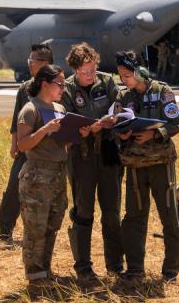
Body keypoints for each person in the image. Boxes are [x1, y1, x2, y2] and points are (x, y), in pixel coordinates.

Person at [114, 51, 179, 282]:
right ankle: (135, 268)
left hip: (160, 164)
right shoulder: (124, 97)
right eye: (121, 76)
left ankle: (171, 269)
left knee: (169, 216)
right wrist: (122, 135)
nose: (124, 80)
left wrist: (154, 133)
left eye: (127, 75)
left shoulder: (163, 92)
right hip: (134, 165)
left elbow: (175, 123)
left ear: (139, 72)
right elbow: (117, 126)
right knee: (134, 217)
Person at [60, 42, 123, 282]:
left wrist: (114, 117)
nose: (90, 75)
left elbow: (120, 106)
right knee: (83, 212)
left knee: (112, 212)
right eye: (85, 71)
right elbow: (64, 125)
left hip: (108, 154)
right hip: (81, 157)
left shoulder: (106, 81)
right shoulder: (65, 88)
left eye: (93, 69)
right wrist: (87, 129)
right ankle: (83, 266)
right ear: (75, 69)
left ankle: (115, 265)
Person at [16, 64, 78, 286]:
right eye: (59, 84)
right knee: (35, 227)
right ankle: (35, 275)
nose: (63, 88)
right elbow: (22, 145)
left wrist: (77, 133)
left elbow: (62, 143)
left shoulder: (60, 109)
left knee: (52, 223)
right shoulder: (30, 109)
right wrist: (43, 130)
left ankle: (45, 270)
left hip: (58, 174)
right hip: (37, 175)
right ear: (45, 84)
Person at [0, 44, 54, 243]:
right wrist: (13, 144)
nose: (29, 64)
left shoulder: (60, 86)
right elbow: (17, 120)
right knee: (13, 188)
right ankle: (5, 230)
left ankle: (45, 233)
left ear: (45, 64)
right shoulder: (25, 88)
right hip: (26, 146)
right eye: (29, 60)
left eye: (32, 61)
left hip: (50, 150)